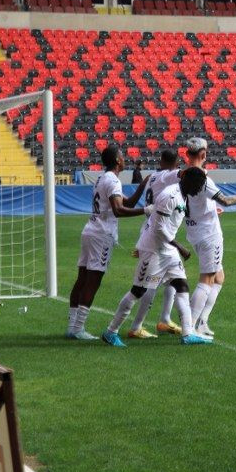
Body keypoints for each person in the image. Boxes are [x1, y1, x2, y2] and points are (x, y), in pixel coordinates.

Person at [102, 175, 210, 347]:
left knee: (181, 286)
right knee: (137, 291)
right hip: (153, 250)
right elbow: (158, 227)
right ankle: (110, 331)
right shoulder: (170, 195)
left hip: (167, 250)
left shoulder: (182, 194)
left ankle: (188, 333)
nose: (199, 191)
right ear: (190, 184)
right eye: (199, 187)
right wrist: (179, 246)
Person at [65, 145, 152, 340]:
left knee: (82, 279)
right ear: (117, 160)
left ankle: (72, 327)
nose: (124, 158)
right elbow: (119, 210)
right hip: (101, 235)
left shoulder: (102, 178)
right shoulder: (113, 181)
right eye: (122, 155)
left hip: (90, 230)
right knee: (92, 282)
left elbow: (126, 203)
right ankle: (78, 329)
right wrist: (146, 211)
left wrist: (141, 187)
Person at [182, 138, 236, 338]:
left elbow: (191, 203)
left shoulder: (181, 175)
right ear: (202, 154)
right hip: (208, 234)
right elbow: (226, 200)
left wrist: (209, 210)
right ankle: (190, 327)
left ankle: (202, 322)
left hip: (194, 229)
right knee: (207, 279)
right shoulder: (203, 179)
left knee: (219, 277)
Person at [126, 150, 185, 339]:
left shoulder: (151, 176)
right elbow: (186, 174)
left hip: (152, 228)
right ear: (176, 162)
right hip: (158, 234)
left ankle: (165, 319)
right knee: (150, 282)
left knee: (173, 277)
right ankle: (136, 326)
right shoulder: (169, 175)